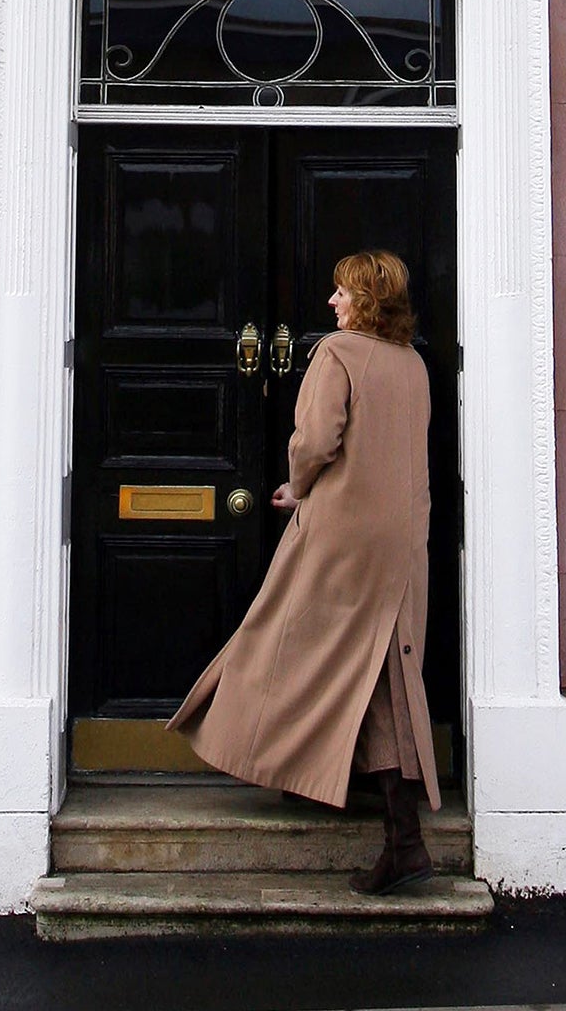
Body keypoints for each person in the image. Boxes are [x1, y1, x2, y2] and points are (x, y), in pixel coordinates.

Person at [168, 249, 440, 895]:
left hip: (341, 537)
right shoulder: (413, 365)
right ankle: (401, 839)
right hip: (400, 541)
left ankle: (271, 758)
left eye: (342, 291)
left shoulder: (338, 355)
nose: (332, 302)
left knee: (279, 645)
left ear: (366, 299)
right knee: (382, 673)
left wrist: (296, 485)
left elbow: (317, 439)